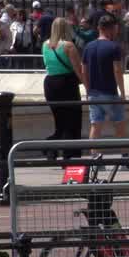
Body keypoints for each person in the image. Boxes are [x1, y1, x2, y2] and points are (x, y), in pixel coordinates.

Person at [40, 15, 86, 159]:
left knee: (59, 121)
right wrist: (88, 87)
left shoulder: (45, 45)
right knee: (73, 120)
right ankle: (70, 154)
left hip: (50, 83)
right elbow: (79, 70)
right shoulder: (68, 46)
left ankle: (51, 148)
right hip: (67, 83)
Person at [82, 13, 127, 140]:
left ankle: (95, 156)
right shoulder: (114, 47)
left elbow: (83, 71)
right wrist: (122, 93)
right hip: (110, 93)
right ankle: (124, 156)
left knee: (95, 126)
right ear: (110, 29)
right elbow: (117, 71)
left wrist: (87, 90)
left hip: (93, 94)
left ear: (99, 28)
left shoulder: (88, 47)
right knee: (119, 125)